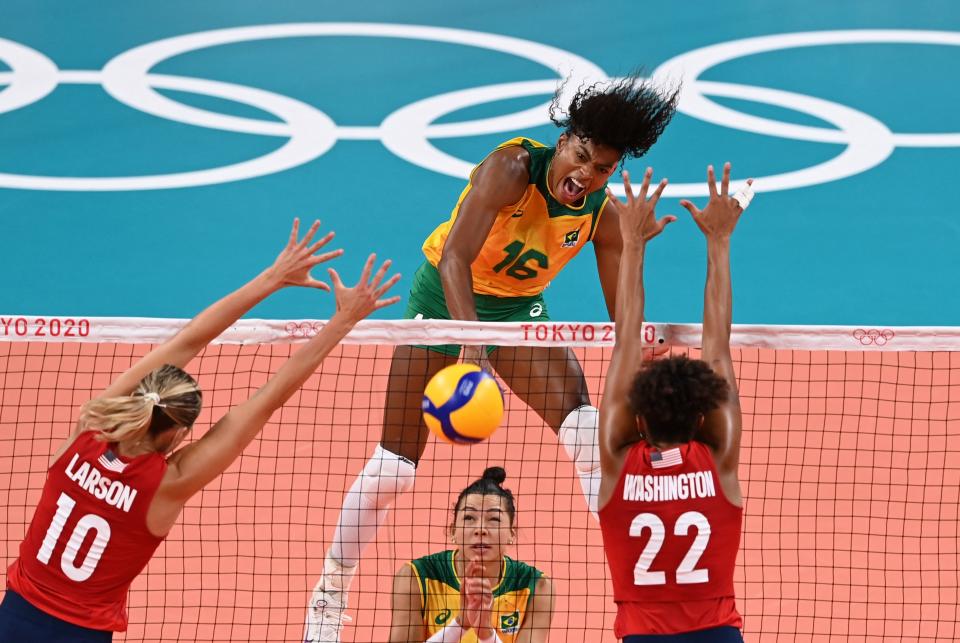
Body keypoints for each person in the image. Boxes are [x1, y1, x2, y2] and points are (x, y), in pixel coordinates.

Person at [305, 72, 680, 642]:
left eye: (602, 168)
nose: (586, 174)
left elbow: (620, 306)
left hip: (518, 311)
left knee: (587, 435)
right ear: (564, 141)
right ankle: (331, 589)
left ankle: (639, 586)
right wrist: (469, 342)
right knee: (394, 470)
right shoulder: (509, 170)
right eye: (581, 156)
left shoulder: (603, 213)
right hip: (442, 299)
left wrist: (639, 311)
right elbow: (455, 256)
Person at [0, 220, 400, 643]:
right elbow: (268, 399)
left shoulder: (89, 429)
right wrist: (344, 320)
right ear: (179, 435)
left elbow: (189, 339)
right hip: (81, 635)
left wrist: (273, 277)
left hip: (14, 616)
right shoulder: (167, 483)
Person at [596, 164, 752, 641]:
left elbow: (627, 338)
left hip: (641, 635)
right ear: (704, 415)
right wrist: (719, 241)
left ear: (637, 417)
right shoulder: (718, 458)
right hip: (717, 635)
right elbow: (717, 345)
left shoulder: (618, 465)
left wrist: (633, 242)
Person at [389, 467, 552, 643]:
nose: (480, 529)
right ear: (453, 531)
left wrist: (486, 633)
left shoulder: (536, 586)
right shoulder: (416, 577)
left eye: (494, 519)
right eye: (469, 518)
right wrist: (460, 625)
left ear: (512, 534)